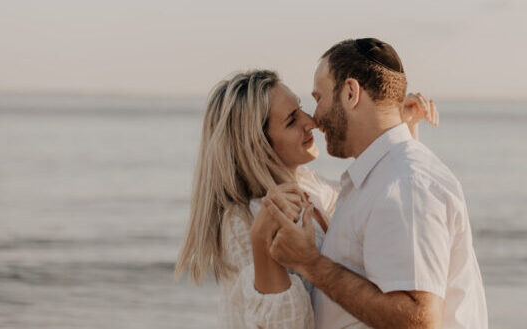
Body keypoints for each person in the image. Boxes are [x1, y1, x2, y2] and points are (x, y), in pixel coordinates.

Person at [174, 69, 437, 328]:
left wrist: (399, 128)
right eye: (291, 120)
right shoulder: (244, 221)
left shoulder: (311, 188)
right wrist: (261, 242)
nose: (310, 121)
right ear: (258, 147)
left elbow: (377, 204)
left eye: (300, 108)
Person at [263, 38, 488, 329]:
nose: (316, 119)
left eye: (319, 98)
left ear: (350, 92)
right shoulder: (383, 178)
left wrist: (310, 263)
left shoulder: (404, 182)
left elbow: (418, 320)